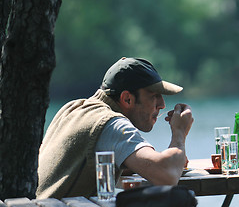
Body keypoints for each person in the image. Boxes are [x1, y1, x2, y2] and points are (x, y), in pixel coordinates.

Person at [37, 57, 194, 199]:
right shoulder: (111, 124)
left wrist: (155, 162)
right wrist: (179, 132)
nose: (162, 104)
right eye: (154, 96)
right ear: (127, 99)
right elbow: (167, 177)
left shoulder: (73, 108)